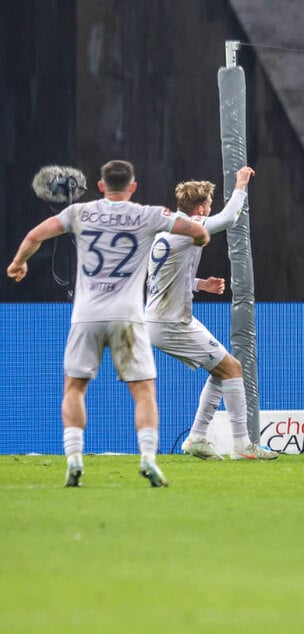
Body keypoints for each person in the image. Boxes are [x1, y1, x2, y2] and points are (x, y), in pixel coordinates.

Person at [6, 159, 210, 487]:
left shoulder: (79, 213)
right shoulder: (148, 214)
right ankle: (147, 458)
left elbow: (35, 235)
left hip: (86, 315)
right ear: (133, 187)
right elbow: (197, 231)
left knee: (75, 388)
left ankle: (74, 459)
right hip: (127, 317)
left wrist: (18, 263)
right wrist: (199, 239)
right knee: (143, 391)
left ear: (101, 186)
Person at [146, 166, 278, 461]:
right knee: (232, 369)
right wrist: (241, 184)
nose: (210, 209)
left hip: (164, 319)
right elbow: (229, 218)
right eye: (208, 205)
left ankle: (197, 438)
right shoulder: (186, 229)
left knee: (222, 370)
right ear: (200, 208)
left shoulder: (167, 230)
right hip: (171, 323)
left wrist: (200, 284)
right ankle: (242, 445)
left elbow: (159, 276)